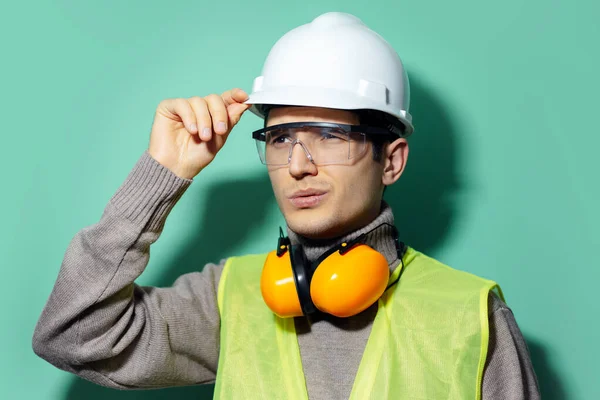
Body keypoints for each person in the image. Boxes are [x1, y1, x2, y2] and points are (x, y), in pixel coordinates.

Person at [32, 12, 540, 400]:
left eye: (329, 135)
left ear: (392, 160)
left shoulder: (472, 317)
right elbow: (72, 335)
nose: (297, 165)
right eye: (279, 139)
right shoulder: (228, 298)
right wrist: (162, 174)